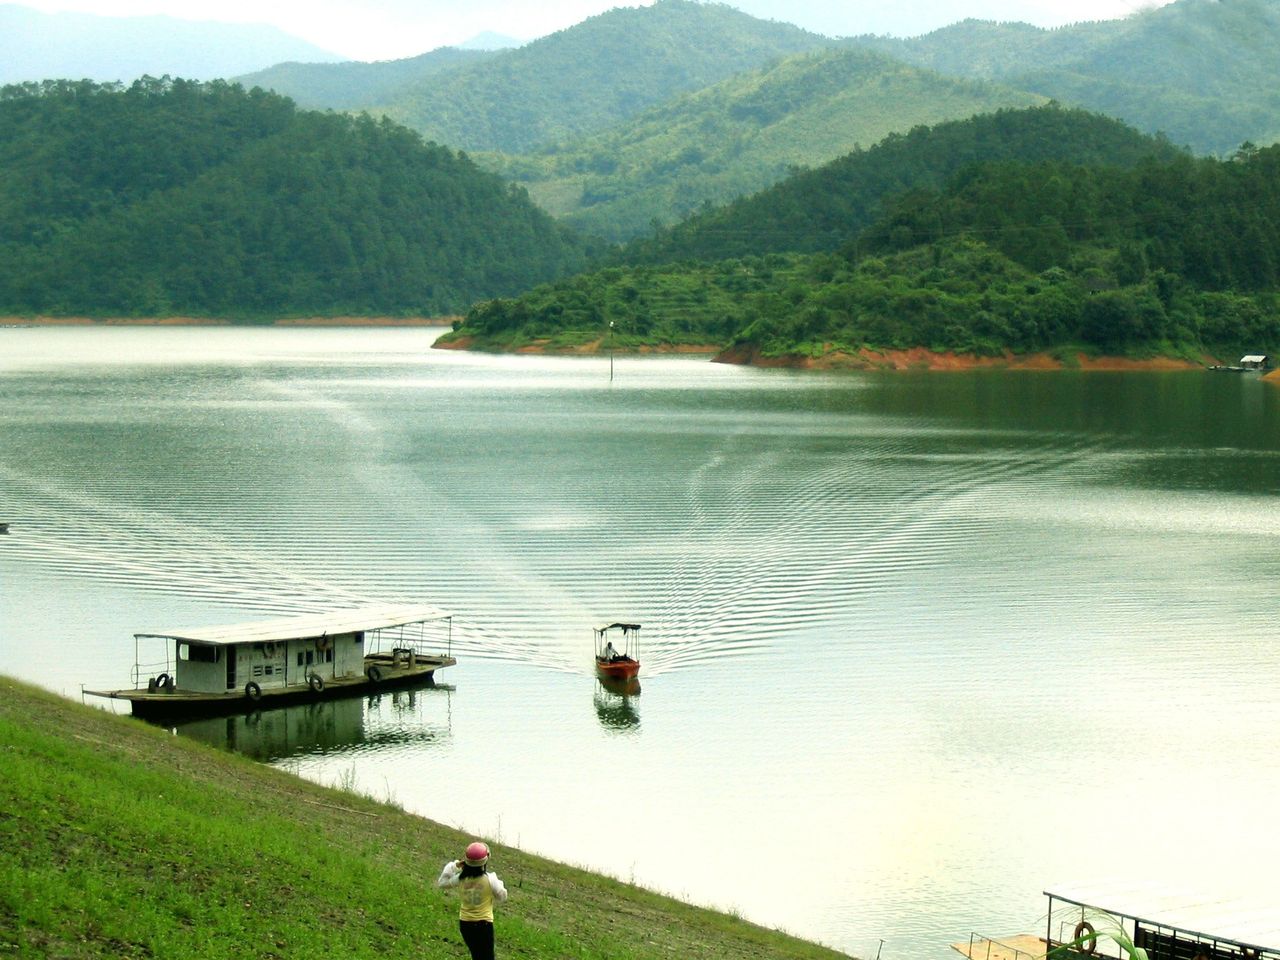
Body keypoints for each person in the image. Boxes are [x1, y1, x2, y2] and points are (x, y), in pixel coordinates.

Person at [438, 841, 508, 960]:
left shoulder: (460, 878)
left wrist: (454, 865)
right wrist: (499, 882)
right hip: (484, 925)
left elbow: (442, 883)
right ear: (486, 860)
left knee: (476, 955)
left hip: (465, 924)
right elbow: (502, 897)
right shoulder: (490, 879)